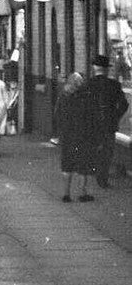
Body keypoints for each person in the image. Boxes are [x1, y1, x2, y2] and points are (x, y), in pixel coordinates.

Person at [83, 54, 130, 190]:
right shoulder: (114, 85)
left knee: (93, 147)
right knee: (107, 151)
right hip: (109, 123)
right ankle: (102, 178)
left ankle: (93, 170)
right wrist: (115, 116)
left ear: (95, 68)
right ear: (106, 69)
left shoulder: (88, 84)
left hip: (92, 122)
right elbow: (124, 104)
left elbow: (83, 104)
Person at [55, 72, 92, 202]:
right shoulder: (85, 97)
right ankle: (83, 194)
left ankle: (66, 194)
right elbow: (89, 118)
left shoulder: (63, 96)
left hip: (67, 135)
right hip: (82, 135)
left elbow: (58, 114)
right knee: (83, 166)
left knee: (66, 165)